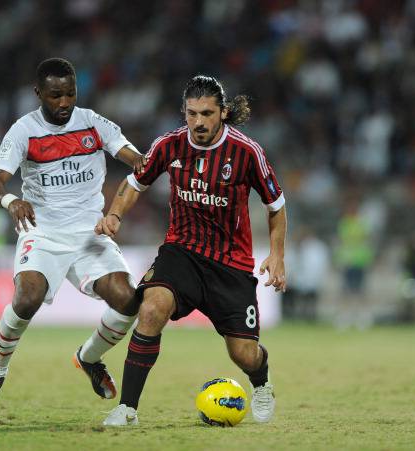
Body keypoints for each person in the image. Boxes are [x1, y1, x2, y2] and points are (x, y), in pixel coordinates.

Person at [96, 75, 287, 426]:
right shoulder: (168, 145)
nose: (198, 122)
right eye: (191, 113)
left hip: (230, 264)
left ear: (223, 112)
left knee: (244, 354)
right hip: (181, 252)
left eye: (207, 114)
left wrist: (277, 255)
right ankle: (127, 409)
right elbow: (135, 182)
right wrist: (115, 214)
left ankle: (261, 383)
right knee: (151, 309)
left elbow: (276, 205)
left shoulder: (246, 152)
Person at [0, 58, 145, 412]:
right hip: (43, 233)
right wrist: (11, 200)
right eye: (55, 95)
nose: (64, 102)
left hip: (89, 234)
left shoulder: (93, 122)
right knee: (27, 299)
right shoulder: (24, 130)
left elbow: (135, 158)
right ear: (38, 93)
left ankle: (88, 358)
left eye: (70, 93)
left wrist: (148, 162)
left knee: (129, 301)